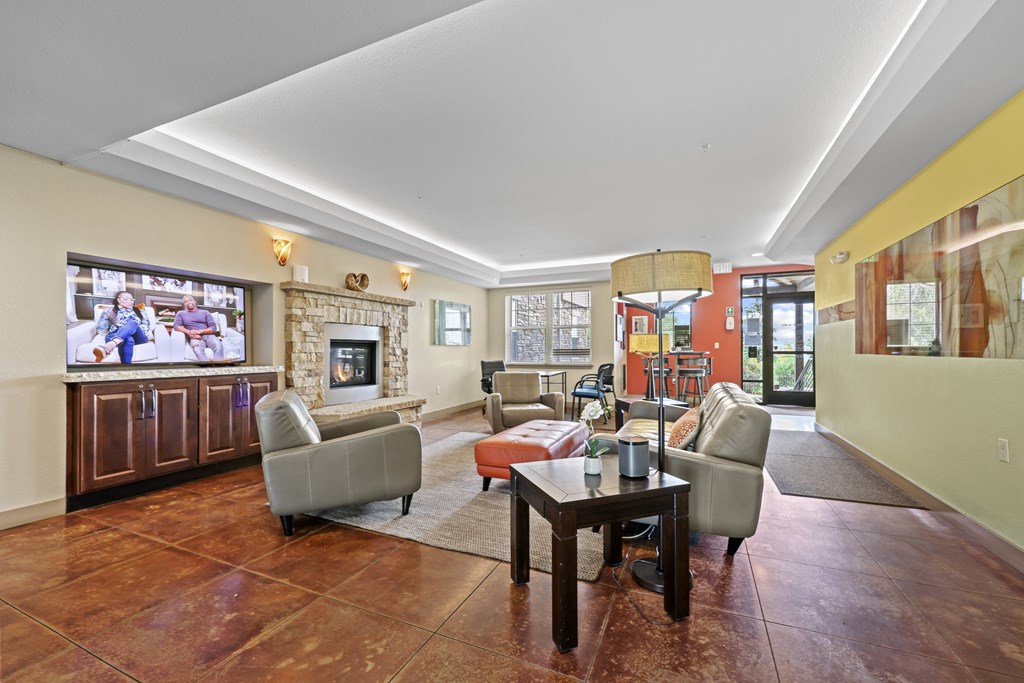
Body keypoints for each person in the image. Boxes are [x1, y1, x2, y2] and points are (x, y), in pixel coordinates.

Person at [94, 291, 151, 364]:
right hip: (114, 334)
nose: (130, 301)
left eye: (131, 300)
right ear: (118, 300)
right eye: (125, 299)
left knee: (133, 323)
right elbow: (101, 330)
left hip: (138, 336)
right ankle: (126, 368)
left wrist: (126, 329)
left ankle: (111, 345)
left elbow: (146, 326)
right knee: (127, 339)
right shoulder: (110, 311)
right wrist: (106, 316)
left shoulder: (140, 311)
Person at [173, 294, 224, 361]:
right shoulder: (181, 313)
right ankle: (207, 368)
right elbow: (176, 326)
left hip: (209, 336)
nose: (188, 303)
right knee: (197, 349)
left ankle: (218, 366)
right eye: (186, 302)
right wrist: (190, 332)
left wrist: (200, 331)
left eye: (190, 300)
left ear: (194, 301)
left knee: (219, 346)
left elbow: (213, 328)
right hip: (195, 337)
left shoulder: (205, 312)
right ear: (184, 304)